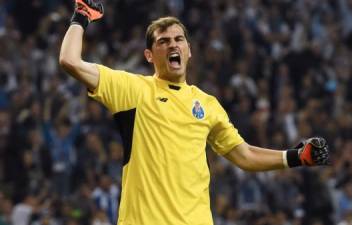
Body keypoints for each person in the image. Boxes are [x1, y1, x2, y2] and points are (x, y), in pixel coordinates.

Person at [59, 0, 330, 224]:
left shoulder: (207, 104)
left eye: (179, 40)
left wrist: (297, 157)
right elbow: (70, 61)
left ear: (189, 51)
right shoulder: (133, 90)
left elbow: (244, 155)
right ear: (149, 55)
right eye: (163, 42)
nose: (173, 45)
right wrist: (81, 16)